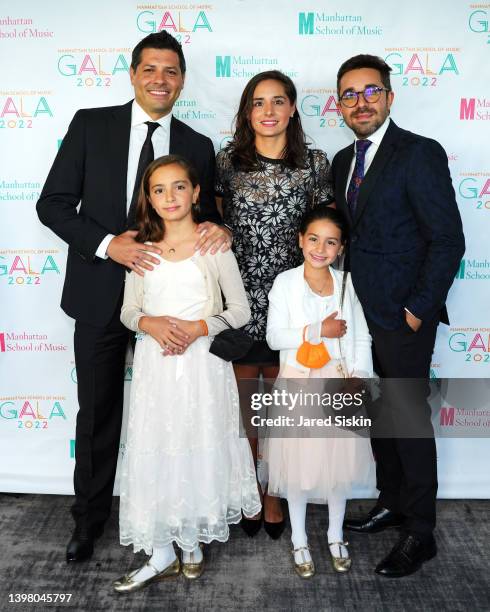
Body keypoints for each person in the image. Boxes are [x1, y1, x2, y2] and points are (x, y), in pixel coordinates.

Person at [36, 31, 231, 563]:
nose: (160, 80)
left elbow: (206, 217)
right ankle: (89, 520)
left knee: (179, 416)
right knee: (98, 413)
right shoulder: (89, 124)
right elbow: (52, 204)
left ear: (183, 80)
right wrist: (106, 245)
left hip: (174, 306)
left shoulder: (197, 144)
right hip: (101, 295)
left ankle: (183, 519)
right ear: (133, 73)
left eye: (171, 71)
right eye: (150, 69)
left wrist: (221, 230)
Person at [331, 54, 465, 577]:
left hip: (403, 315)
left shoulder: (419, 153)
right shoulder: (343, 162)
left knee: (408, 420)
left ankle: (421, 532)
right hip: (358, 316)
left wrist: (416, 310)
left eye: (370, 92)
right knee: (380, 416)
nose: (360, 102)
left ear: (389, 97)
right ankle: (391, 502)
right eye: (349, 94)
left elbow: (448, 239)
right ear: (339, 104)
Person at [112, 154, 260, 591]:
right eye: (159, 189)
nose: (169, 196)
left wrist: (198, 327)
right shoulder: (143, 251)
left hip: (201, 367)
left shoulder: (213, 247)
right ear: (149, 199)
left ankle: (191, 540)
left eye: (179, 187)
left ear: (196, 193)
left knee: (197, 444)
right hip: (157, 368)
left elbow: (240, 310)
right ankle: (160, 552)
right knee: (157, 448)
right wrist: (149, 323)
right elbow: (128, 310)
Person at [215, 70, 334, 538]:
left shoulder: (315, 162)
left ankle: (274, 493)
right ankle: (249, 489)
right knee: (246, 407)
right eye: (258, 102)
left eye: (278, 101)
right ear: (248, 111)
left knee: (284, 406)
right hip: (240, 299)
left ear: (292, 109)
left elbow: (324, 229)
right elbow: (215, 222)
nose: (268, 111)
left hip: (292, 301)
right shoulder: (227, 161)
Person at [264, 207, 374, 578]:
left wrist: (359, 376)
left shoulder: (348, 282)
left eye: (330, 242)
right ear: (300, 240)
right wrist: (317, 330)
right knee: (296, 466)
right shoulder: (285, 282)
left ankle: (335, 534)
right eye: (313, 239)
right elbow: (275, 336)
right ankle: (299, 540)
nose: (320, 248)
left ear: (341, 248)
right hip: (297, 381)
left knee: (337, 464)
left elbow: (360, 334)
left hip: (338, 382)